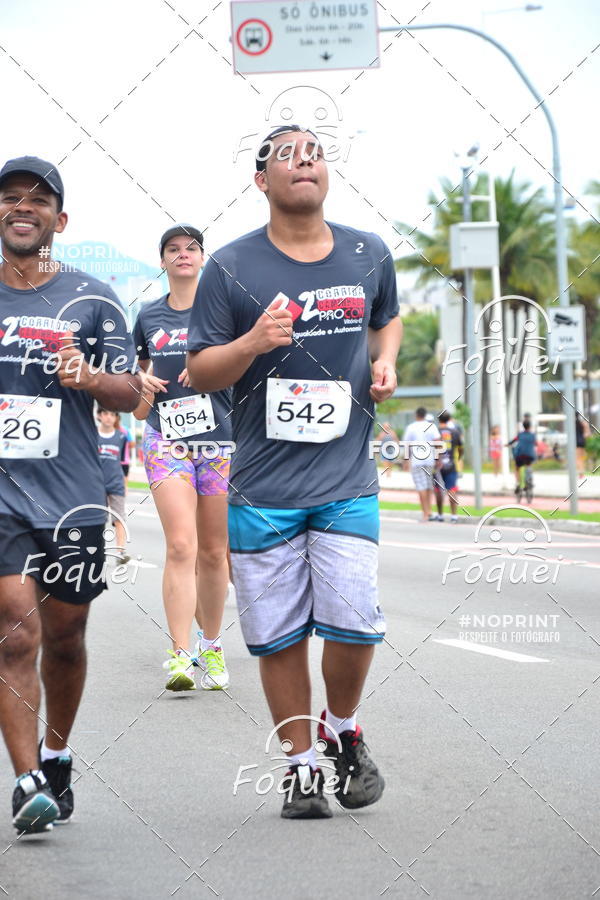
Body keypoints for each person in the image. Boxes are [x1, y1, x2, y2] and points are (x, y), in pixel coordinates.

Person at [186, 124, 402, 818]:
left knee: (352, 623)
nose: (304, 162)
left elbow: (387, 317)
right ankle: (302, 767)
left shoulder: (368, 252)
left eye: (314, 152)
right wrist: (250, 342)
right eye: (287, 155)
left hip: (345, 481)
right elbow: (198, 369)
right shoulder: (230, 266)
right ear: (262, 182)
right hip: (264, 488)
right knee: (280, 637)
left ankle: (342, 728)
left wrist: (385, 358)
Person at [0, 156, 140, 833]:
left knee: (65, 634)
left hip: (72, 496)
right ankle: (26, 782)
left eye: (37, 200)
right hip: (2, 495)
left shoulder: (93, 297)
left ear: (60, 220)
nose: (21, 208)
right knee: (12, 630)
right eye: (9, 198)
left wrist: (87, 376)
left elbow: (132, 391)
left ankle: (56, 753)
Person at [132, 225, 232, 692]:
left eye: (191, 247)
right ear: (163, 260)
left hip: (219, 440)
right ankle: (179, 653)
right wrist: (140, 384)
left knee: (214, 551)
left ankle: (211, 646)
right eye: (172, 248)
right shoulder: (148, 317)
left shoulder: (224, 310)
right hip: (164, 438)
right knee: (181, 545)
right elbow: (135, 398)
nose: (182, 254)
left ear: (202, 257)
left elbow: (246, 369)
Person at [96, 407, 129, 564]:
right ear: (99, 416)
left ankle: (120, 552)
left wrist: (126, 484)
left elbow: (125, 463)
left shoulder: (122, 437)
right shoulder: (92, 435)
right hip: (96, 484)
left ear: (116, 418)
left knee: (119, 518)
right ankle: (97, 550)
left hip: (116, 483)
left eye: (112, 415)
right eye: (106, 414)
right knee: (97, 518)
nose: (109, 417)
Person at [403, 407, 440, 521]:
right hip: (430, 459)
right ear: (425, 415)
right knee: (428, 485)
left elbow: (406, 445)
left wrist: (405, 460)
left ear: (416, 415)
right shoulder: (431, 426)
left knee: (421, 486)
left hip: (417, 460)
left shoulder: (411, 427)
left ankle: (425, 513)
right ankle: (429, 511)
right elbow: (438, 442)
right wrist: (438, 458)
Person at [434, 411, 464, 522]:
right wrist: (459, 457)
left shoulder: (435, 431)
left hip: (437, 464)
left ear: (439, 419)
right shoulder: (455, 432)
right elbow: (461, 448)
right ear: (449, 419)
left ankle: (440, 515)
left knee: (437, 490)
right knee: (452, 489)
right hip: (451, 464)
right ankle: (454, 516)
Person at [507, 419, 537, 499]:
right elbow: (536, 443)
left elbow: (513, 441)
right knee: (529, 464)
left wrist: (507, 444)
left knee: (517, 468)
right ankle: (529, 479)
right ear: (530, 426)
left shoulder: (520, 435)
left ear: (523, 426)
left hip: (520, 455)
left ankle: (517, 483)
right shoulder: (533, 435)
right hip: (530, 456)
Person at [114, 413, 134, 489]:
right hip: (112, 461)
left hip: (124, 461)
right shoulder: (109, 430)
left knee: (124, 484)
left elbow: (132, 444)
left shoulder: (125, 430)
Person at [575, 412, 588, 478]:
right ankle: (582, 472)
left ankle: (580, 473)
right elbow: (586, 434)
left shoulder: (572, 424)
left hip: (576, 441)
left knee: (578, 458)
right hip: (582, 441)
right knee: (582, 458)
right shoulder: (583, 423)